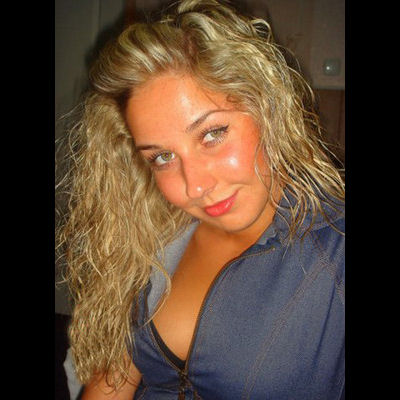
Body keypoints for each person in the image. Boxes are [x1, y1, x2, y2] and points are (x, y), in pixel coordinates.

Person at [58, 0, 345, 399]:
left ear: (267, 107)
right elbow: (113, 379)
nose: (194, 186)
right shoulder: (156, 230)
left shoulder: (335, 250)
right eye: (162, 157)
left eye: (212, 134)